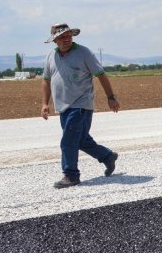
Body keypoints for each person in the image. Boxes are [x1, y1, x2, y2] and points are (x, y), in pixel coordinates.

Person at [41, 23, 121, 188]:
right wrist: (44, 103)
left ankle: (71, 175)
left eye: (69, 35)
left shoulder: (83, 53)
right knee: (80, 140)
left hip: (81, 105)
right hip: (62, 107)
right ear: (55, 40)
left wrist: (111, 97)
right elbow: (46, 81)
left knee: (68, 140)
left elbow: (101, 74)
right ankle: (107, 157)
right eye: (62, 37)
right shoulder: (51, 56)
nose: (67, 39)